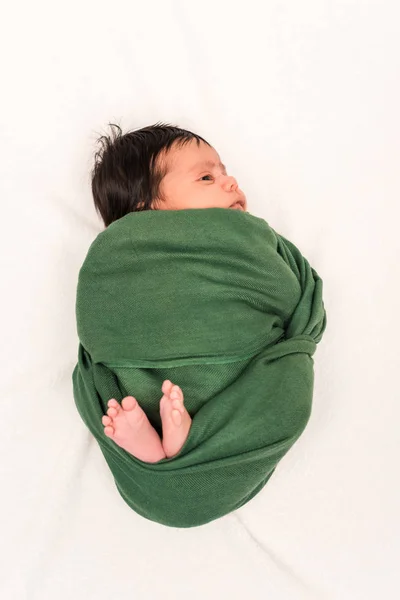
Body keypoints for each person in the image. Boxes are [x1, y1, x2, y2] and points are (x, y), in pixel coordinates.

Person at [91, 122, 247, 463]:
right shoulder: (121, 256)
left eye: (224, 172)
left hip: (229, 366)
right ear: (148, 206)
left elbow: (275, 282)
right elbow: (102, 312)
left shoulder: (249, 241)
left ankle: (159, 447)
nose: (230, 182)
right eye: (206, 178)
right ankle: (161, 441)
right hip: (148, 367)